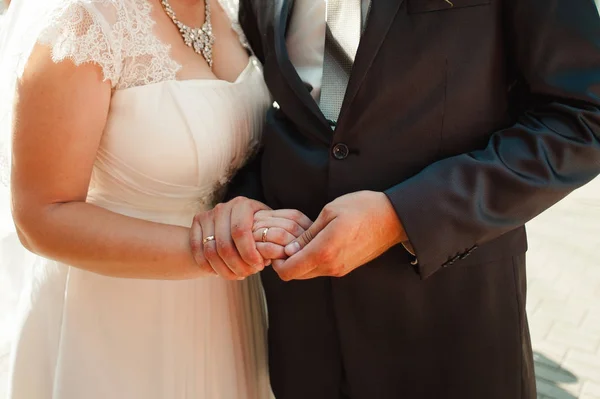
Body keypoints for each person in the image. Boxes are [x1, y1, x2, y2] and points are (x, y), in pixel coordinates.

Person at [190, 0, 600, 398]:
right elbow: (287, 116)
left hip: (449, 329)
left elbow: (583, 118)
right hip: (304, 337)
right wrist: (246, 199)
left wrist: (402, 215)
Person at [0, 0, 304, 397]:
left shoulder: (231, 12)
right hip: (114, 318)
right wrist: (211, 250)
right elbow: (41, 215)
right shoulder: (85, 22)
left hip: (226, 308)